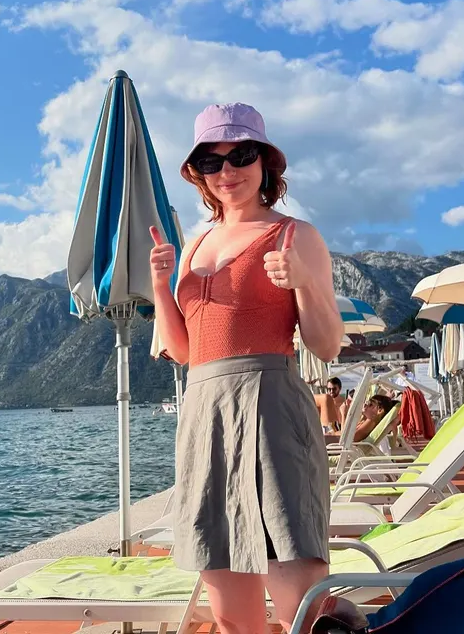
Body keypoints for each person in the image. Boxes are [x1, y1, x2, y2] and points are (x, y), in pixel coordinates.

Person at [149, 102, 367, 634]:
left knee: (297, 594)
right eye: (211, 161)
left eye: (241, 155)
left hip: (270, 404)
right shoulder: (194, 243)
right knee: (228, 606)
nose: (227, 171)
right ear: (197, 174)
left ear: (266, 161)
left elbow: (327, 343)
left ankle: (338, 620)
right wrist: (161, 285)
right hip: (203, 411)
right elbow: (184, 352)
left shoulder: (295, 236)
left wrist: (306, 283)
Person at [325, 394, 397, 445]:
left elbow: (346, 440)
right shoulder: (365, 421)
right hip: (328, 443)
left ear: (380, 411)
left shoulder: (370, 423)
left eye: (370, 404)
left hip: (331, 448)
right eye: (367, 402)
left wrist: (344, 414)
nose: (365, 405)